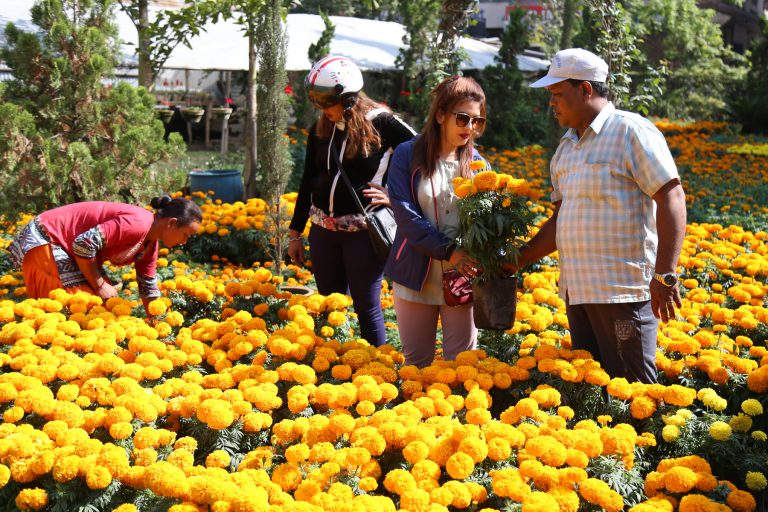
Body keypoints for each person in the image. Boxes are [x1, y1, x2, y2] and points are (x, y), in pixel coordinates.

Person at [513, 48, 687, 383]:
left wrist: (666, 273)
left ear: (586, 90)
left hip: (621, 293)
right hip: (578, 293)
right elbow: (560, 221)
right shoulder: (566, 148)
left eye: (558, 94)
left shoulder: (629, 131)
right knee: (591, 392)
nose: (552, 103)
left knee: (633, 391)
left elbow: (672, 196)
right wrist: (515, 261)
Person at [287, 56, 415, 347]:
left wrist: (395, 199)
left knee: (367, 308)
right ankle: (331, 370)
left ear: (347, 99)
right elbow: (308, 180)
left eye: (325, 100)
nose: (321, 108)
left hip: (363, 235)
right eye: (315, 99)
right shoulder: (322, 128)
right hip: (322, 234)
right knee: (330, 307)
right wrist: (295, 233)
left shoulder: (383, 123)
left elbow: (426, 154)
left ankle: (378, 373)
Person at [385, 76, 490, 368]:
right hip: (415, 275)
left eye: (477, 121)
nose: (469, 128)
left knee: (462, 365)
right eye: (462, 118)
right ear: (441, 115)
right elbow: (405, 217)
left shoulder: (480, 165)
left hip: (463, 277)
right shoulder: (407, 154)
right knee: (417, 365)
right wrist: (449, 251)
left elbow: (487, 223)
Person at [7, 195, 202, 317]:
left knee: (102, 309)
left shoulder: (150, 245)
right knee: (78, 308)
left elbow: (148, 286)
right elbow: (84, 244)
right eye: (187, 235)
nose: (185, 242)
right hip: (48, 239)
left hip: (70, 250)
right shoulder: (138, 223)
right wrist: (100, 284)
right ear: (171, 223)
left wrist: (157, 323)